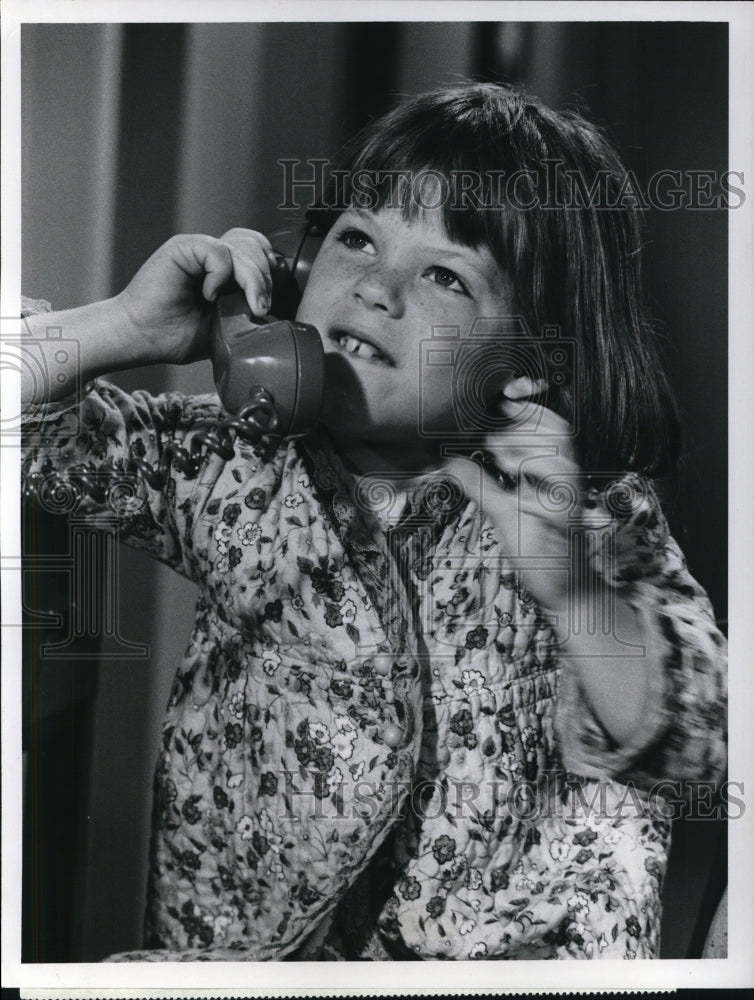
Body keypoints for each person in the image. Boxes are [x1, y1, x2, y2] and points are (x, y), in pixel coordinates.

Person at [21, 83, 727, 960]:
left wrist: (571, 586)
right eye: (358, 238)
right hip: (255, 962)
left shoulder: (583, 508)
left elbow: (702, 740)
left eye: (445, 274)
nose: (375, 288)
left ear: (533, 357)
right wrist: (125, 325)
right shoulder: (231, 460)